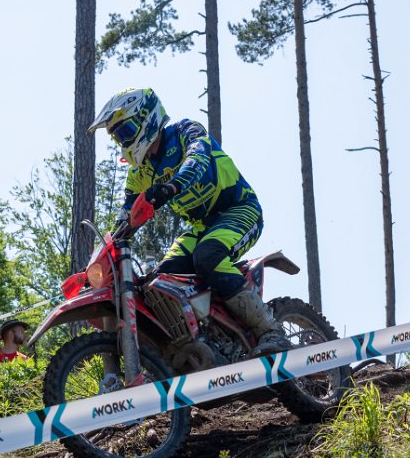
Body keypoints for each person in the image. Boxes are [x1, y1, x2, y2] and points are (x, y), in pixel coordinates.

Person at [87, 88, 289, 356]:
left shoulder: (185, 132)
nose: (123, 141)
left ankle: (270, 331)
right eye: (118, 137)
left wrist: (171, 187)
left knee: (208, 256)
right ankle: (204, 338)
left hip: (239, 209)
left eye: (126, 131)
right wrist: (101, 262)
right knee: (160, 281)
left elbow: (198, 158)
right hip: (202, 228)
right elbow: (125, 216)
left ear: (147, 117)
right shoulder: (139, 174)